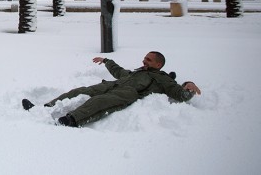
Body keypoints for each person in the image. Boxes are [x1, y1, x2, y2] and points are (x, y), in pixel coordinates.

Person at [22, 52, 201, 127]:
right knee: (77, 92)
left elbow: (180, 94)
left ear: (159, 64)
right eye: (145, 58)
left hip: (127, 94)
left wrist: (189, 86)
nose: (144, 61)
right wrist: (107, 61)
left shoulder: (162, 78)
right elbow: (120, 72)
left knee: (99, 102)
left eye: (148, 60)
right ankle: (43, 108)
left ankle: (71, 120)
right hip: (111, 85)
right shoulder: (137, 72)